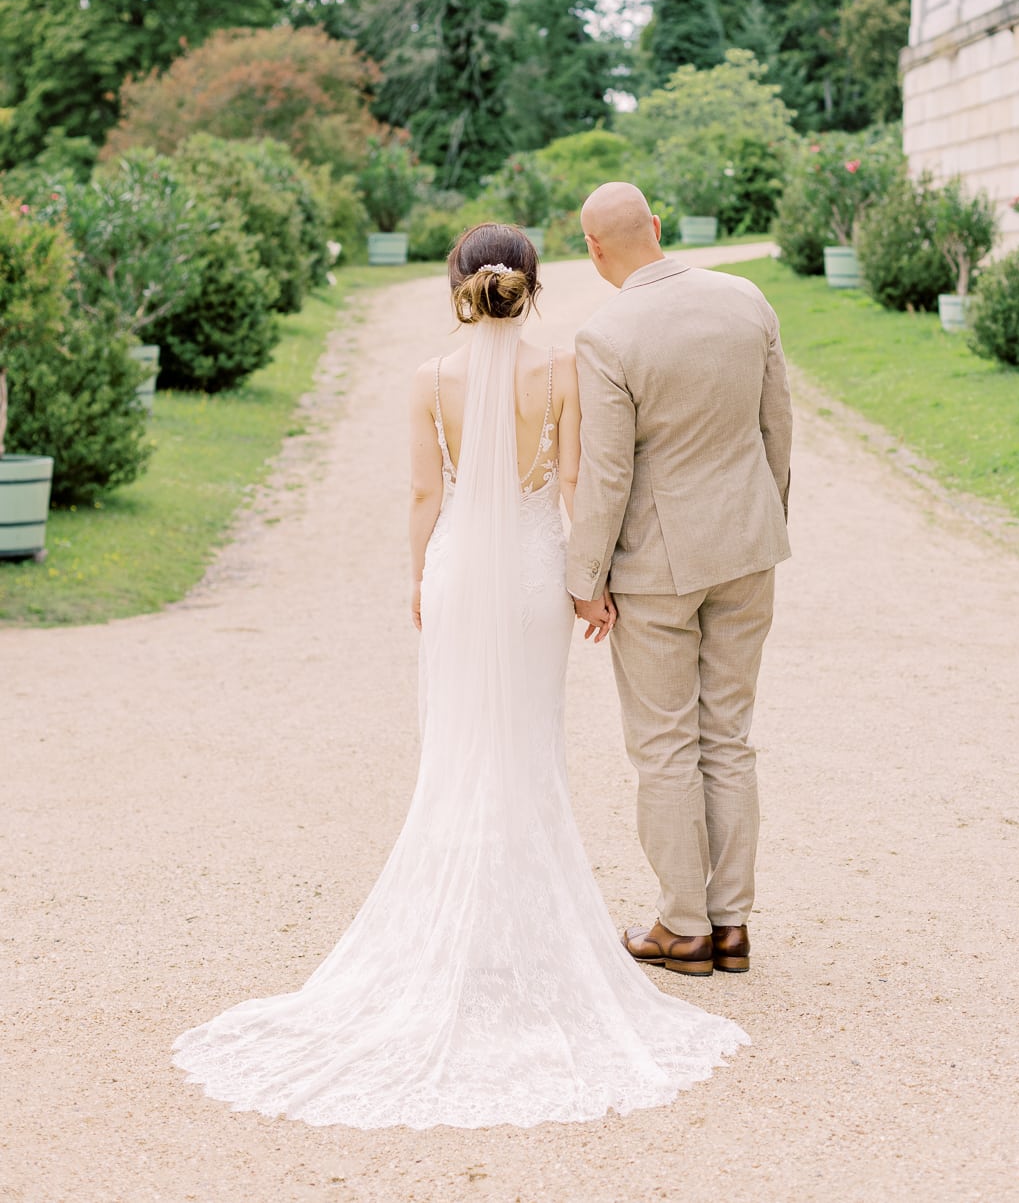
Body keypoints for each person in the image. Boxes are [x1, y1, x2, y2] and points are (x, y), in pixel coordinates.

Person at [173, 223, 746, 1130]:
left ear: (460, 287)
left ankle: (462, 926)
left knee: (457, 748)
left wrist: (417, 579)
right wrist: (588, 584)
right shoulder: (559, 368)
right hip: (529, 577)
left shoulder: (427, 379)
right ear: (531, 287)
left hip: (457, 574)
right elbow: (574, 488)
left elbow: (420, 495)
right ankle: (530, 930)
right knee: (529, 746)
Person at [567, 185, 792, 979]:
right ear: (656, 228)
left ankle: (683, 925)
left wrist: (585, 575)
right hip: (748, 545)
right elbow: (777, 423)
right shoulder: (745, 298)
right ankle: (731, 925)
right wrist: (769, 517)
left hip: (658, 566)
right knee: (728, 736)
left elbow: (605, 472)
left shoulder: (604, 334)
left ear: (594, 249)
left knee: (666, 745)